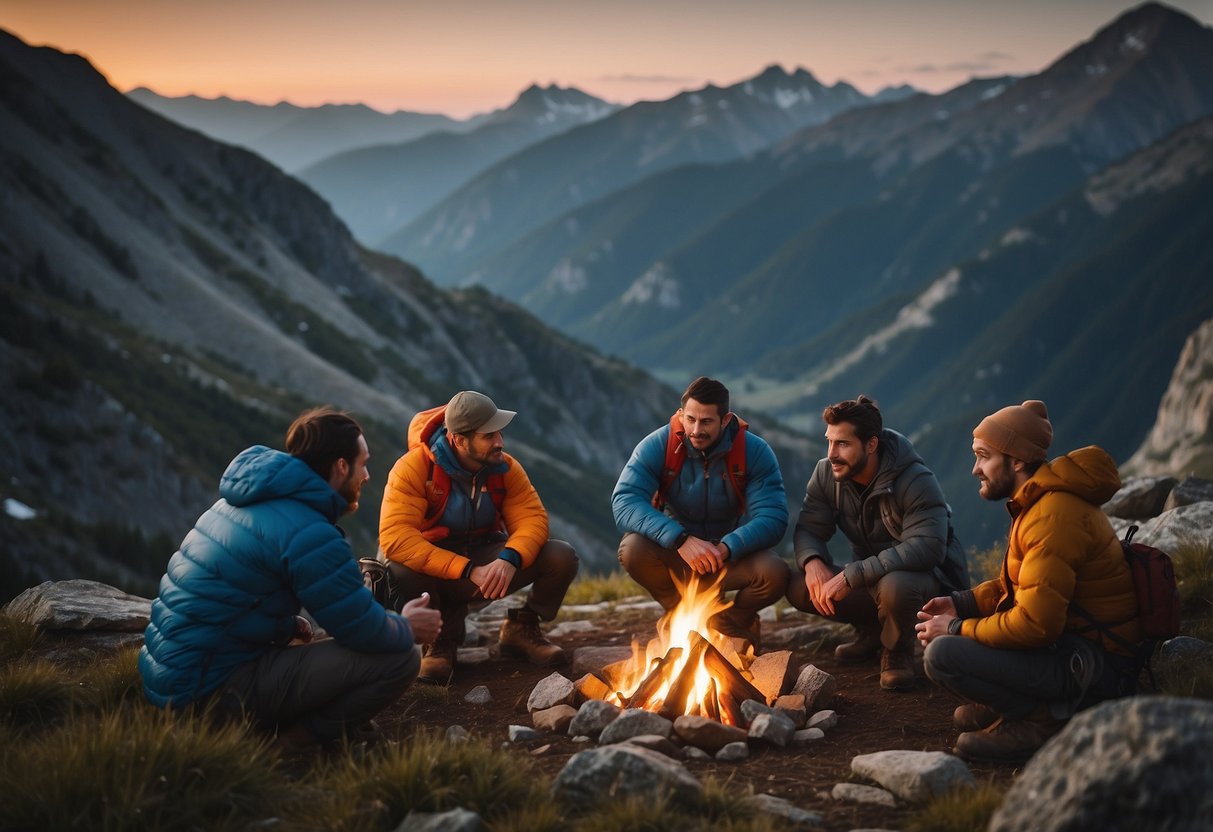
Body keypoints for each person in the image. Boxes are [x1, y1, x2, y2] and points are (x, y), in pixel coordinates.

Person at [139, 407, 440, 749]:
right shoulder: (309, 531)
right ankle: (294, 746)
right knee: (402, 657)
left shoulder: (242, 500)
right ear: (341, 467)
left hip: (170, 682)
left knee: (305, 638)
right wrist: (408, 626)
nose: (367, 475)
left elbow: (229, 598)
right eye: (363, 463)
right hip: (206, 699)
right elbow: (360, 628)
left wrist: (282, 627)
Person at [916, 400, 1140, 763]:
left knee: (943, 655)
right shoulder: (1037, 503)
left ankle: (1042, 721)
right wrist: (963, 603)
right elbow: (1019, 588)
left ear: (1017, 460)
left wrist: (956, 628)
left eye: (983, 456)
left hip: (1092, 669)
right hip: (1074, 650)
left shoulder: (1052, 516)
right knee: (950, 655)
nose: (975, 469)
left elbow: (1037, 626)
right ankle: (1022, 705)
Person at [379, 390, 578, 685]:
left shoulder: (504, 467)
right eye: (488, 436)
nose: (499, 442)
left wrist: (511, 557)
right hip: (439, 571)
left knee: (561, 556)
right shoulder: (414, 468)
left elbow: (532, 519)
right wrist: (468, 569)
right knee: (399, 567)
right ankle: (439, 642)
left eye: (498, 433)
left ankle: (520, 629)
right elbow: (395, 537)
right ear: (459, 440)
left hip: (485, 560)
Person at [786, 395, 968, 691]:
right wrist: (813, 562)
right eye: (829, 442)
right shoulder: (826, 473)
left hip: (927, 588)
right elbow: (809, 528)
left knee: (896, 586)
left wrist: (850, 574)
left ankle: (897, 651)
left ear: (871, 445)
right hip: (873, 579)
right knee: (798, 586)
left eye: (842, 444)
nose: (831, 453)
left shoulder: (914, 480)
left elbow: (927, 548)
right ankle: (872, 633)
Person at [612, 376, 789, 651]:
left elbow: (774, 517)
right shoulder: (659, 445)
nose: (696, 430)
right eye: (690, 419)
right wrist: (680, 540)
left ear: (726, 419)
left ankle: (734, 621)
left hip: (728, 556)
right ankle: (682, 612)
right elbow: (624, 501)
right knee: (632, 549)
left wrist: (728, 547)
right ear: (681, 414)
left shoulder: (753, 451)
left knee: (775, 572)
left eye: (706, 421)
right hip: (678, 553)